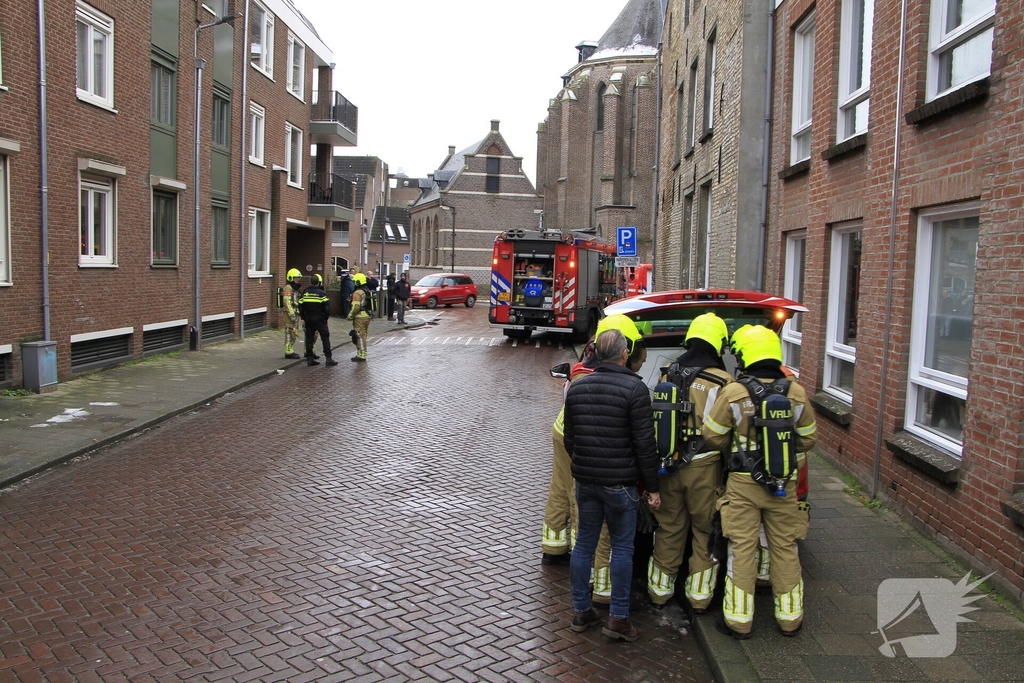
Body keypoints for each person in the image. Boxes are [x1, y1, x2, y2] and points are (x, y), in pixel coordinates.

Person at [702, 325, 817, 639]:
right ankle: (790, 618)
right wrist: (780, 452)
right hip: (784, 484)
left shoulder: (735, 392)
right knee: (785, 547)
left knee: (742, 548)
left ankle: (739, 621)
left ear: (746, 355)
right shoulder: (796, 392)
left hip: (743, 484)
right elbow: (808, 440)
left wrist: (737, 450)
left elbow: (712, 435)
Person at [563, 323, 661, 642]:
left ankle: (581, 611)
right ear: (623, 355)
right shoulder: (636, 390)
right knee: (621, 547)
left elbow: (571, 440)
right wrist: (653, 488)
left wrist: (584, 465)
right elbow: (645, 445)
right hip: (621, 485)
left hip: (587, 482)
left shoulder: (577, 388)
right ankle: (618, 618)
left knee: (584, 545)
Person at [647, 312, 733, 615]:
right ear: (718, 344)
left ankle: (659, 592)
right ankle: (699, 598)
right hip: (705, 468)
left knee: (669, 528)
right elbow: (727, 431)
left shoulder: (668, 373)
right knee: (705, 531)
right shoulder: (724, 382)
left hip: (669, 465)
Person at [297, 274, 337, 366]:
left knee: (309, 339)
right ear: (318, 282)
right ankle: (328, 358)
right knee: (325, 339)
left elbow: (301, 306)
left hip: (309, 319)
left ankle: (310, 359)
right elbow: (327, 308)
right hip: (320, 319)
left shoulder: (305, 292)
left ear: (310, 282)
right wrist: (324, 318)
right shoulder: (322, 293)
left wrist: (304, 317)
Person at [348, 272, 372, 362]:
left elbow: (355, 307)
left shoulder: (357, 293)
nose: (354, 283)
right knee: (364, 335)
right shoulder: (366, 290)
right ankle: (362, 353)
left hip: (359, 317)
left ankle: (361, 354)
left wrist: (350, 316)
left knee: (359, 336)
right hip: (367, 316)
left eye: (355, 281)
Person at [281, 268, 303, 359]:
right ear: (291, 278)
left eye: (298, 277)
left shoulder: (295, 289)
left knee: (294, 332)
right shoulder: (288, 288)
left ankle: (291, 349)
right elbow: (287, 301)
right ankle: (288, 351)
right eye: (296, 278)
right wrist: (291, 314)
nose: (298, 279)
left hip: (295, 314)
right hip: (290, 315)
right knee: (289, 331)